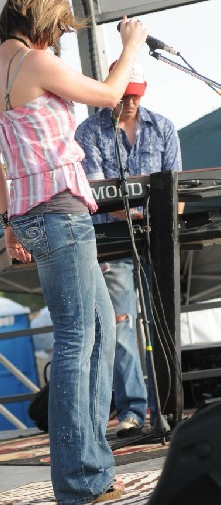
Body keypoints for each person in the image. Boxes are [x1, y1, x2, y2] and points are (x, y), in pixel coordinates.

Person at [0, 0, 147, 504]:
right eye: (58, 28)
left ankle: (92, 466)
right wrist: (131, 45)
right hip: (62, 213)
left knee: (93, 332)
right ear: (42, 20)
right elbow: (110, 94)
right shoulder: (35, 61)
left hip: (31, 213)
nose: (59, 38)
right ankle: (78, 481)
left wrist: (7, 221)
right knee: (78, 340)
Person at [75, 61, 182, 437]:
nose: (131, 100)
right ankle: (133, 410)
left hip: (157, 241)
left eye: (136, 92)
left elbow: (177, 191)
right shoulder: (88, 132)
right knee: (120, 327)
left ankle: (171, 404)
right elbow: (97, 192)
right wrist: (138, 210)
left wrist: (145, 212)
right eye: (124, 93)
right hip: (115, 244)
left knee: (163, 321)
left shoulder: (164, 127)